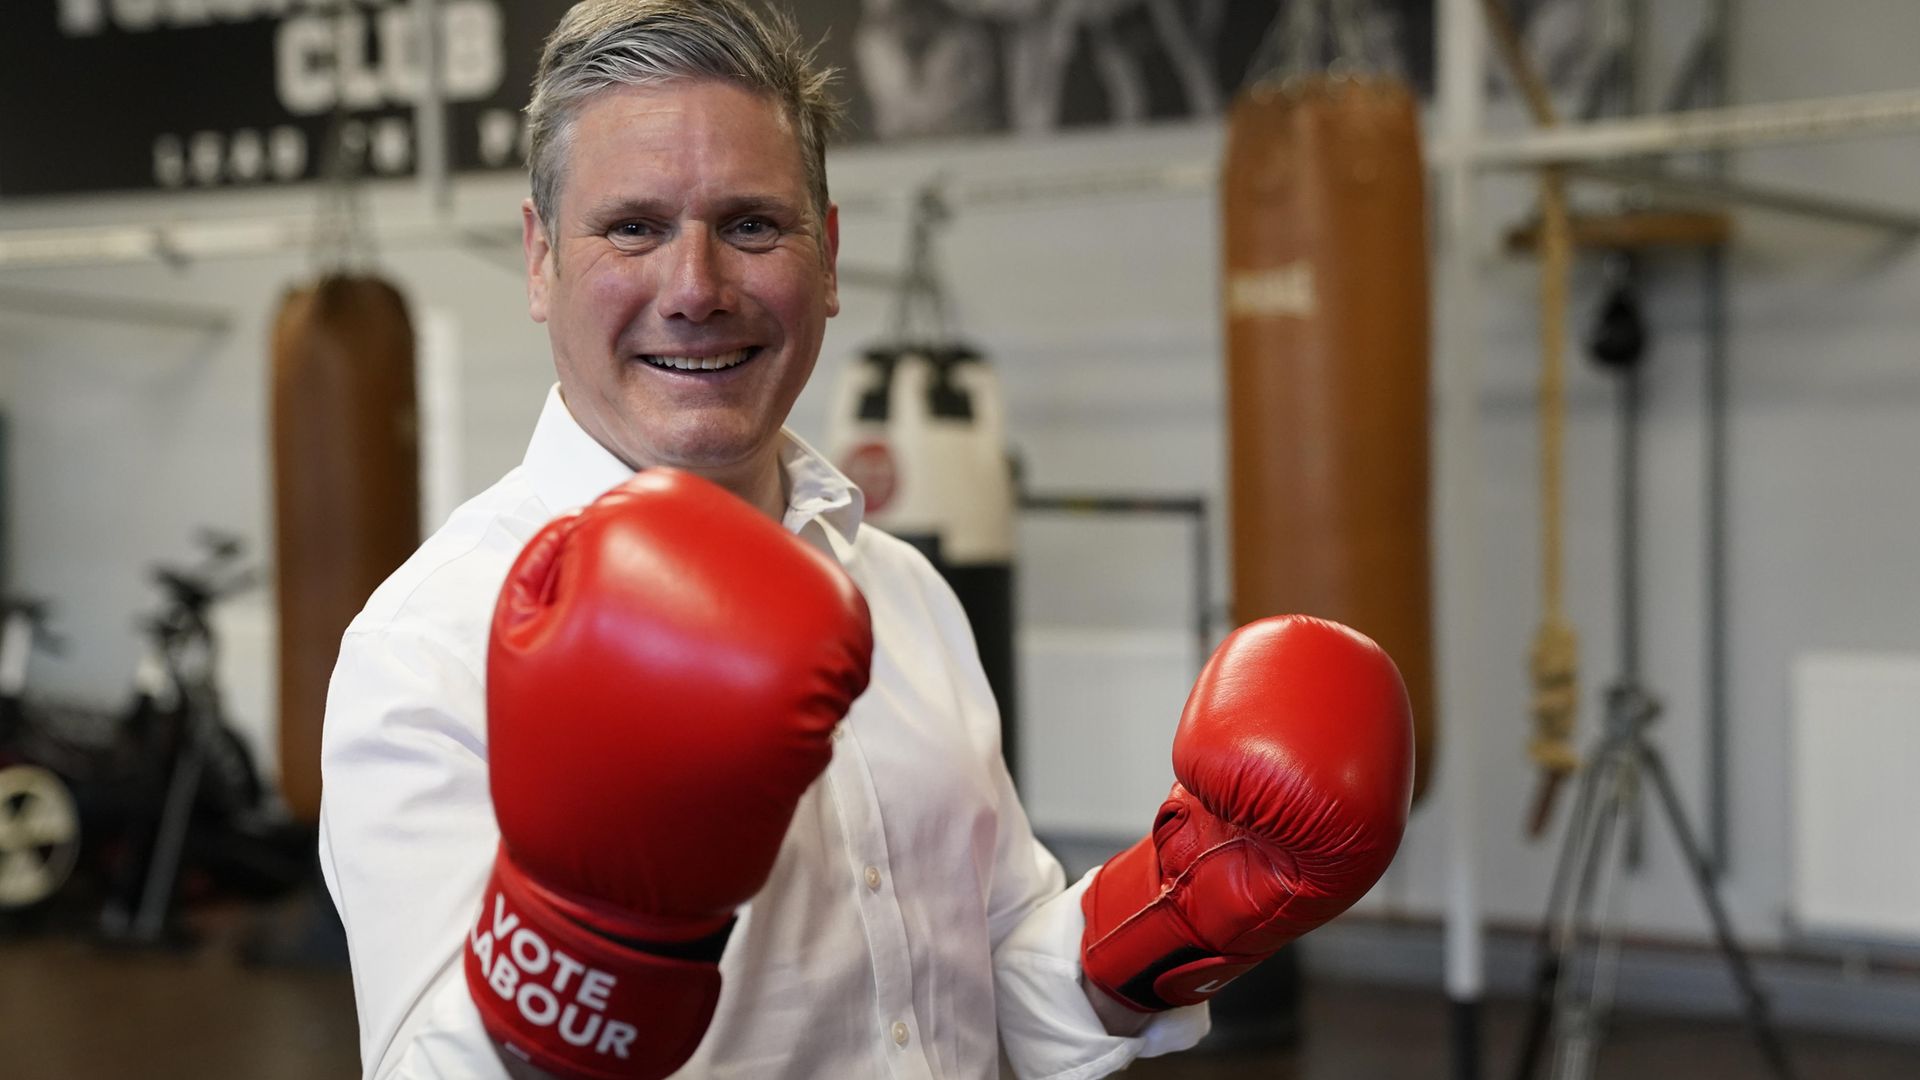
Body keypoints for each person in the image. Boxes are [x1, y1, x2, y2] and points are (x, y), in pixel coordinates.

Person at [319, 2, 1411, 1078]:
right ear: (541, 258)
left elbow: (996, 988)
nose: (695, 289)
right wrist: (586, 939)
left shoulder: (905, 594)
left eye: (752, 224)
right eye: (634, 227)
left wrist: (1184, 910)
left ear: (829, 259)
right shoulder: (429, 648)